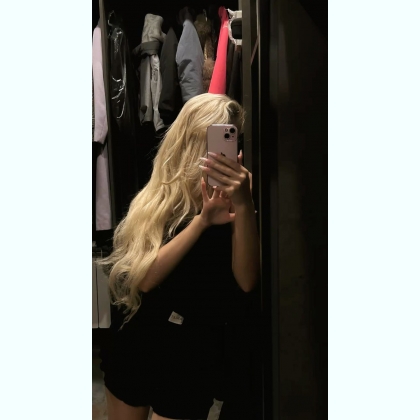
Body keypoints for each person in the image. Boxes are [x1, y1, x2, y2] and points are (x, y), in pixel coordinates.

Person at [99, 93, 260, 420]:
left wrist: (244, 204)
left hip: (192, 349)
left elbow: (246, 281)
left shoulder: (238, 195)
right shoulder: (158, 198)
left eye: (233, 139)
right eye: (221, 139)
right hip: (138, 336)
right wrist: (202, 222)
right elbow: (144, 279)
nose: (228, 150)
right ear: (194, 140)